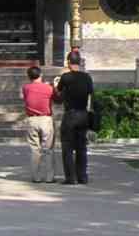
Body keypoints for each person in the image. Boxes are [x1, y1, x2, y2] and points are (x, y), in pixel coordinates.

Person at [56, 51, 94, 185]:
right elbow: (91, 95)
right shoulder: (87, 77)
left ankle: (70, 177)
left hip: (70, 114)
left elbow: (59, 92)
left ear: (68, 62)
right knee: (81, 147)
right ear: (80, 62)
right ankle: (82, 176)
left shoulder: (65, 77)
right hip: (83, 114)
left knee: (67, 147)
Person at [22, 65, 56, 183]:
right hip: (45, 119)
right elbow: (55, 97)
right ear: (40, 75)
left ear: (29, 77)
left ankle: (36, 176)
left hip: (32, 119)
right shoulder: (48, 88)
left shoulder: (26, 88)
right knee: (48, 149)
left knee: (34, 149)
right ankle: (49, 177)